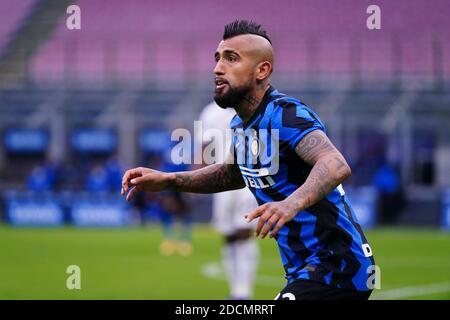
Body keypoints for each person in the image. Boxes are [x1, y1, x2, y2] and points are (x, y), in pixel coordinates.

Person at [121, 20, 376, 300]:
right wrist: (168, 180)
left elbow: (335, 164)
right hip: (306, 270)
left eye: (231, 58)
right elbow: (232, 174)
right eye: (217, 59)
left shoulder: (286, 114)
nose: (218, 68)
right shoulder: (240, 125)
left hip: (337, 267)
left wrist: (290, 204)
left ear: (262, 70)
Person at [196, 101, 259, 299]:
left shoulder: (254, 107)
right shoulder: (210, 112)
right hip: (222, 179)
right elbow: (204, 148)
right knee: (228, 234)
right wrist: (197, 178)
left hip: (249, 178)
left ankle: (243, 292)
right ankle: (235, 292)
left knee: (244, 231)